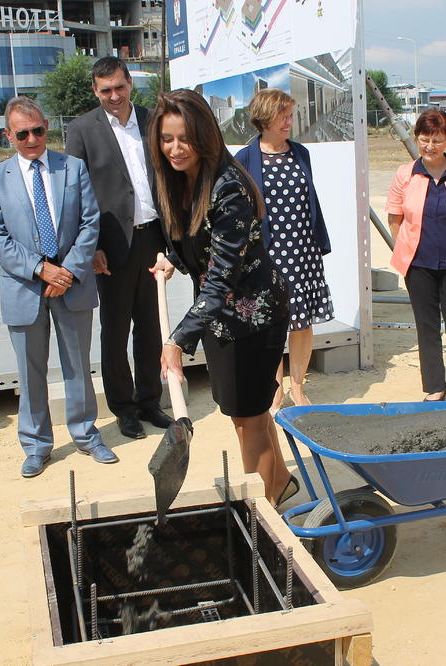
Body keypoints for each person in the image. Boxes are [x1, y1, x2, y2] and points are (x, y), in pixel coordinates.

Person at [147, 90, 296, 507]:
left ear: (205, 136)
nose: (175, 149)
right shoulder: (180, 180)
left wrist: (177, 341)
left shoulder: (228, 187)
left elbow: (221, 279)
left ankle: (262, 513)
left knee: (248, 418)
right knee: (247, 415)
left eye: (184, 139)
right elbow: (198, 244)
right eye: (166, 139)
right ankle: (279, 484)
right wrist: (172, 259)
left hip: (253, 317)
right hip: (220, 316)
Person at [0, 96, 117, 478]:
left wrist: (69, 272)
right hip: (25, 287)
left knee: (77, 366)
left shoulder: (72, 168)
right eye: (22, 133)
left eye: (38, 130)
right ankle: (36, 445)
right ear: (8, 135)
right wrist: (41, 270)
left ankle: (87, 435)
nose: (31, 139)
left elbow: (90, 223)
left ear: (46, 128)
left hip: (71, 285)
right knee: (31, 370)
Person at [65, 57, 173, 441]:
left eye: (119, 87)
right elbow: (76, 194)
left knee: (151, 329)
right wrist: (89, 246)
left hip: (152, 239)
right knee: (114, 332)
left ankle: (149, 401)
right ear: (95, 91)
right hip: (110, 248)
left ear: (130, 84)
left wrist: (170, 241)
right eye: (105, 90)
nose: (114, 96)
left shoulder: (152, 120)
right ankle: (124, 410)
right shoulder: (81, 130)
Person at [236, 88, 333, 413]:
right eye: (284, 116)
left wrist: (317, 240)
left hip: (303, 250)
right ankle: (274, 391)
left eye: (291, 115)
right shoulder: (246, 159)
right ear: (265, 118)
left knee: (303, 323)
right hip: (269, 254)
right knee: (271, 324)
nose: (290, 122)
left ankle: (298, 388)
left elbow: (311, 201)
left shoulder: (300, 153)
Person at [385, 109, 446, 403]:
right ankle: (435, 387)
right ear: (417, 138)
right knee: (427, 327)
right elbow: (395, 216)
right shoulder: (405, 174)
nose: (430, 146)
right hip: (419, 264)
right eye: (425, 139)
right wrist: (403, 247)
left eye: (437, 140)